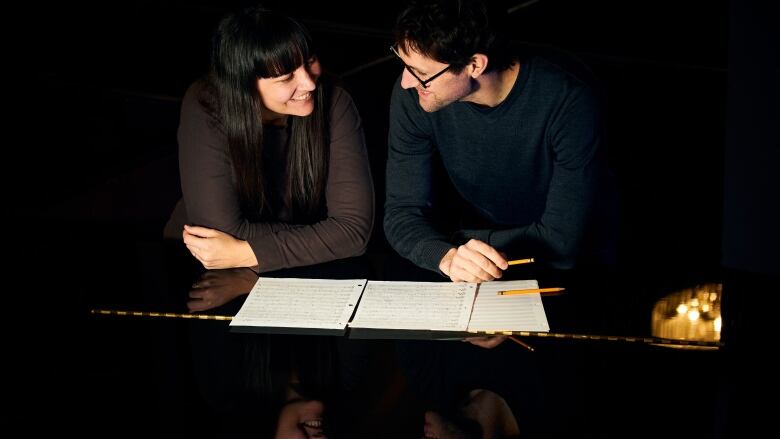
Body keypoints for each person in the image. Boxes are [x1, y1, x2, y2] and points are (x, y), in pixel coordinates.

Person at [384, 0, 612, 287]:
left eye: (422, 74)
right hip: (473, 259)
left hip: (577, 267)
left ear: (475, 65)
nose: (406, 82)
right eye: (404, 64)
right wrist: (448, 256)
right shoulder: (415, 96)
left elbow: (561, 243)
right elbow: (402, 212)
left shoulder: (569, 100)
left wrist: (461, 241)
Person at [164, 5, 374, 274]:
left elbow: (353, 232)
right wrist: (324, 235)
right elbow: (219, 234)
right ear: (246, 88)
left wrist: (245, 252)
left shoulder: (335, 102)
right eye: (287, 77)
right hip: (207, 267)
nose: (309, 83)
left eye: (309, 61)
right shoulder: (206, 104)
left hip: (297, 267)